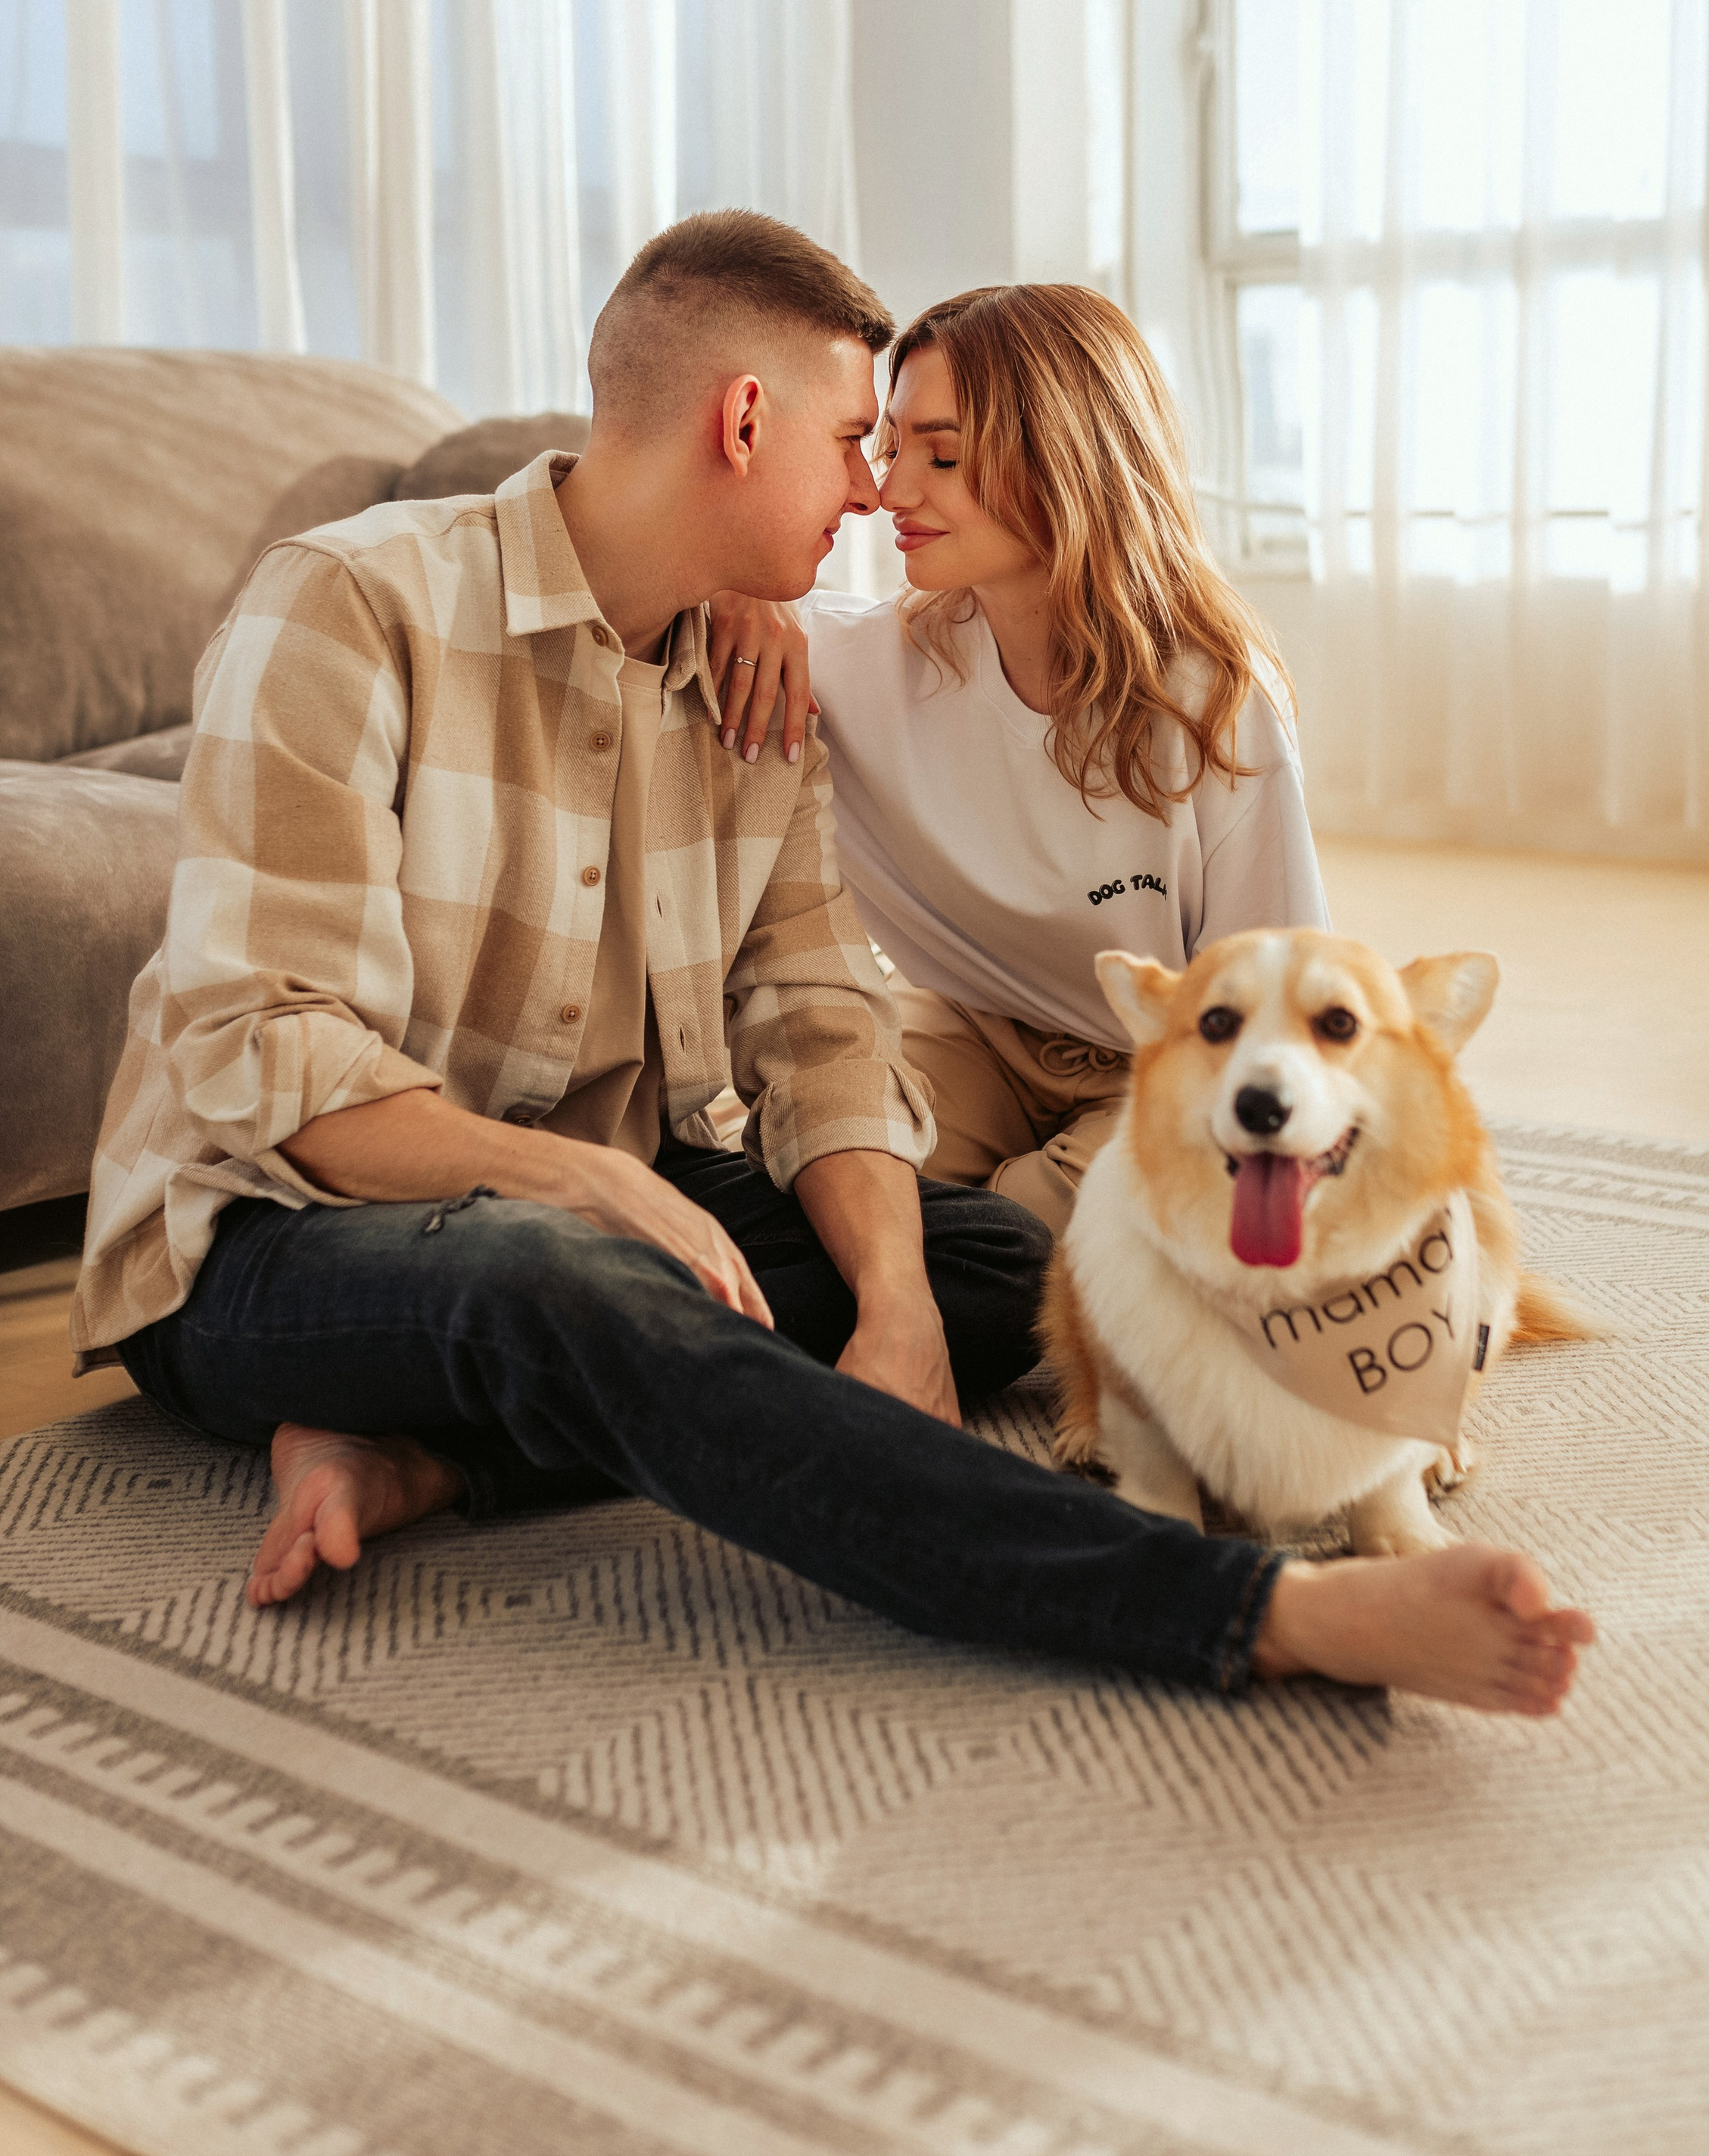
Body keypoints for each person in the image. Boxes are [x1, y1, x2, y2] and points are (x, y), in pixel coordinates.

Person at [73, 211, 1594, 1718]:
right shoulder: (353, 604)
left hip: (590, 1202)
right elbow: (263, 1054)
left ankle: (420, 1444)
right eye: (861, 438)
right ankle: (1256, 1610)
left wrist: (893, 1302)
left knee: (985, 1268)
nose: (875, 493)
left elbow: (810, 1022)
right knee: (570, 1269)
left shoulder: (758, 686)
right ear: (743, 419)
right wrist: (593, 1182)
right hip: (266, 1227)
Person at [707, 282, 1327, 1241]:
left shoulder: (1210, 704)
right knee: (811, 1176)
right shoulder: (866, 662)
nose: (889, 492)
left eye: (943, 456)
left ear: (1067, 464)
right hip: (968, 1033)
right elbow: (628, 520)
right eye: (890, 447)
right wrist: (733, 583)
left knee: (1017, 1228)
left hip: (1172, 1066)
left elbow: (1282, 1007)